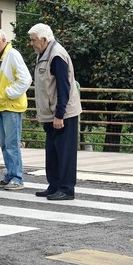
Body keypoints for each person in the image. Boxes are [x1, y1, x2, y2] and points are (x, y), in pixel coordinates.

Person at [28, 23, 82, 200]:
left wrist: (60, 114)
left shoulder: (56, 55)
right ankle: (54, 185)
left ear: (44, 39)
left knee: (65, 153)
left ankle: (66, 189)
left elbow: (63, 87)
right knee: (52, 152)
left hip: (63, 113)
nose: (31, 43)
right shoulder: (44, 53)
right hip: (50, 114)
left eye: (33, 40)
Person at [0, 28, 32, 190]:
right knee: (6, 144)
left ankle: (17, 177)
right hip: (2, 106)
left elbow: (26, 79)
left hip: (11, 106)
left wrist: (8, 93)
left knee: (12, 144)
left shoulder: (12, 54)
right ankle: (10, 174)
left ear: (3, 40)